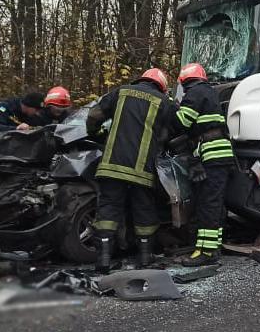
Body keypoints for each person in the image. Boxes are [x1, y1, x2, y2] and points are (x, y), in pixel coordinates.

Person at [86, 68, 176, 272]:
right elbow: (168, 133)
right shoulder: (163, 102)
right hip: (142, 170)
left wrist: (97, 134)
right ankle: (145, 259)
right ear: (161, 86)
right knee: (144, 211)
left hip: (112, 165)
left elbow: (94, 115)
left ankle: (103, 260)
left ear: (141, 79)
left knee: (108, 211)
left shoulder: (121, 92)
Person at [174, 62, 234, 267]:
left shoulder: (195, 93)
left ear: (184, 80)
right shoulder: (208, 92)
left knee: (208, 204)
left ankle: (206, 253)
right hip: (220, 154)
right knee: (214, 203)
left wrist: (171, 109)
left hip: (213, 155)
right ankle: (211, 247)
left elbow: (182, 122)